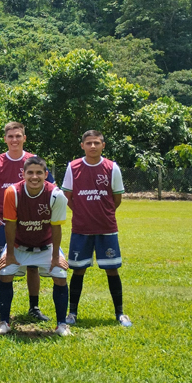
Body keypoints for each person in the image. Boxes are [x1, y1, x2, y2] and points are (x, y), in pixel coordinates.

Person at [0, 121, 54, 321]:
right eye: (10, 136)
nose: (14, 140)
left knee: (33, 265)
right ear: (5, 139)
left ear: (24, 138)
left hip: (32, 225)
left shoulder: (33, 160)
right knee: (2, 265)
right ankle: (1, 307)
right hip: (4, 224)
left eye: (18, 136)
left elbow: (51, 187)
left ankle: (34, 307)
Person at [0, 156, 71, 337]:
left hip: (46, 246)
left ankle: (61, 325)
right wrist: (10, 253)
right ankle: (4, 321)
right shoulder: (12, 192)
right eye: (30, 173)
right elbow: (10, 225)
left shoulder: (56, 194)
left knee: (60, 275)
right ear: (23, 174)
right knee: (5, 273)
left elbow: (56, 227)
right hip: (19, 246)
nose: (34, 177)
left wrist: (55, 257)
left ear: (46, 174)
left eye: (39, 173)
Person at [62, 130, 132, 327]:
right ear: (82, 145)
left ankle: (120, 313)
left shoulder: (112, 168)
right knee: (78, 271)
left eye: (97, 143)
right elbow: (67, 197)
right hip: (81, 229)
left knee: (112, 270)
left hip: (106, 228)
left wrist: (104, 212)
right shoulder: (73, 167)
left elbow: (116, 198)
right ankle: (72, 313)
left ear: (103, 145)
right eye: (89, 143)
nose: (93, 146)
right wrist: (82, 212)